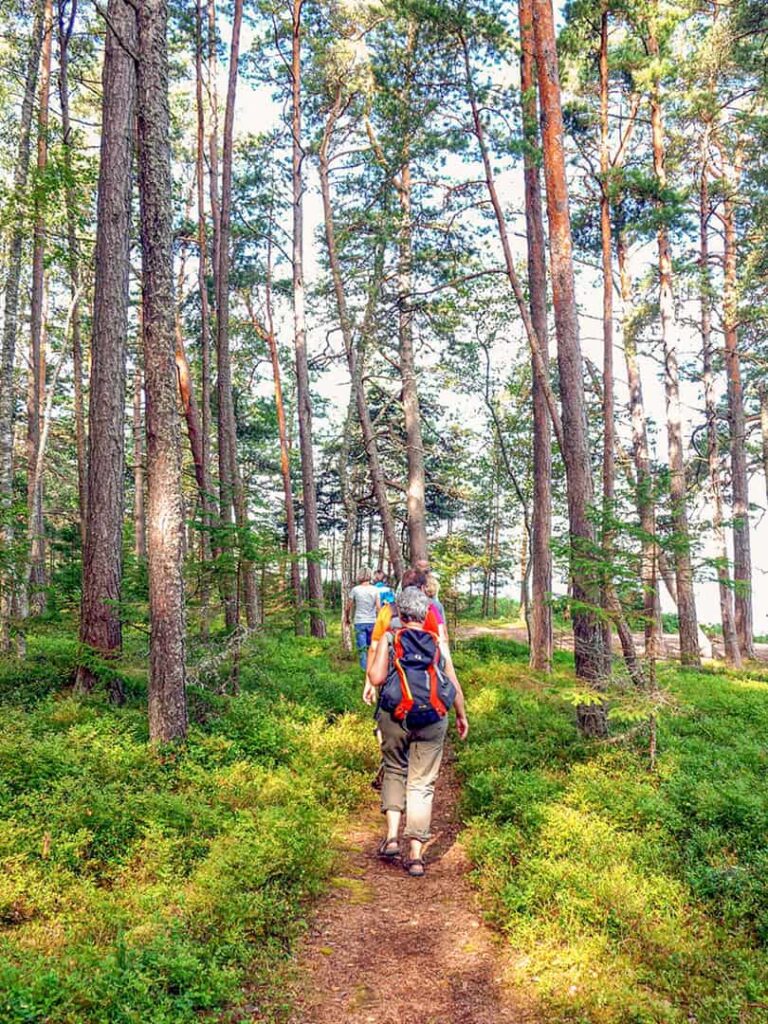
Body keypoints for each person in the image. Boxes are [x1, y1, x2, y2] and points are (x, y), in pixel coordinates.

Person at [367, 586, 469, 877]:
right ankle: (415, 855)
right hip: (433, 718)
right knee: (422, 784)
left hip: (394, 716)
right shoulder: (436, 643)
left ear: (400, 611)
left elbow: (375, 677)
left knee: (395, 769)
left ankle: (391, 838)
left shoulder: (391, 637)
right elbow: (452, 681)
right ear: (425, 613)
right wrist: (461, 714)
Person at [345, 568, 380, 670]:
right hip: (372, 622)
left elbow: (348, 607)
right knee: (372, 648)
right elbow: (378, 607)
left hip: (359, 622)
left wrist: (347, 618)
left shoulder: (355, 590)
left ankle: (364, 671)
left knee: (362, 649)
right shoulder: (375, 590)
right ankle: (372, 670)